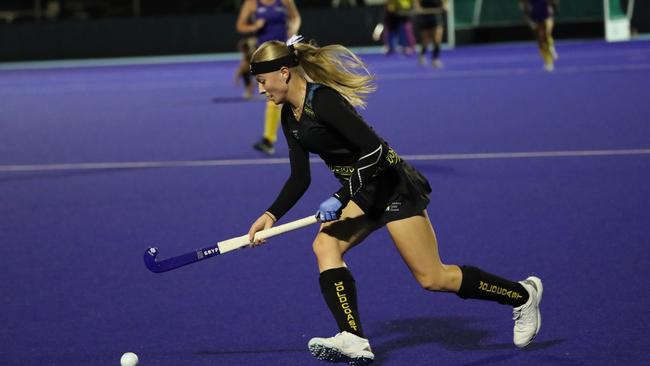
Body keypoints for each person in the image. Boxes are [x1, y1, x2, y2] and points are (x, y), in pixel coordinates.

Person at [247, 35, 543, 365]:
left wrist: (340, 196)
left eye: (262, 81)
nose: (261, 90)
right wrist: (271, 216)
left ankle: (522, 295)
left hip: (391, 187)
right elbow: (300, 177)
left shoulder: (324, 101)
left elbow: (374, 150)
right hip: (362, 191)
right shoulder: (291, 116)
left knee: (433, 278)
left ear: (284, 72)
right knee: (325, 245)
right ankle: (353, 338)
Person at [236, 0, 301, 155]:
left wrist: (293, 28)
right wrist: (254, 26)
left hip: (284, 52)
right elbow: (240, 25)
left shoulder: (285, 1)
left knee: (288, 94)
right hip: (265, 56)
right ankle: (270, 139)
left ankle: (270, 139)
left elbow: (296, 17)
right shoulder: (252, 3)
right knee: (275, 96)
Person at [518, 0, 559, 71]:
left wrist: (552, 7)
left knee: (545, 35)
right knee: (540, 42)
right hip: (535, 19)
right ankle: (549, 62)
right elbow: (523, 6)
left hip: (547, 18)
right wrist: (529, 20)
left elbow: (555, 2)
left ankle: (551, 48)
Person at [415, 0, 447, 68]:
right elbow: (417, 3)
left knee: (437, 39)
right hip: (425, 18)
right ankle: (422, 54)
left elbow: (445, 3)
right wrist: (418, 7)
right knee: (425, 41)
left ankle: (435, 59)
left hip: (436, 17)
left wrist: (445, 5)